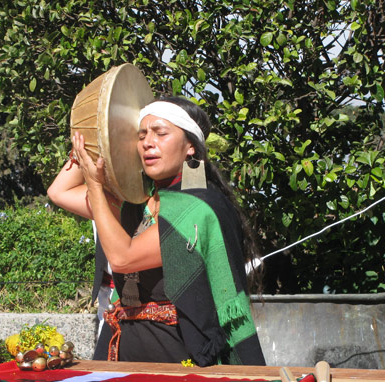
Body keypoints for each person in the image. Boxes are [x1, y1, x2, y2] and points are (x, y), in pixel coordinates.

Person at [49, 96, 265, 366]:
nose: (148, 142)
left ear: (190, 147)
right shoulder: (137, 200)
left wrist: (95, 186)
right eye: (141, 136)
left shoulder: (198, 206)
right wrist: (90, 144)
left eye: (161, 133)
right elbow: (59, 192)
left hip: (178, 357)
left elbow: (123, 258)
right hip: (122, 348)